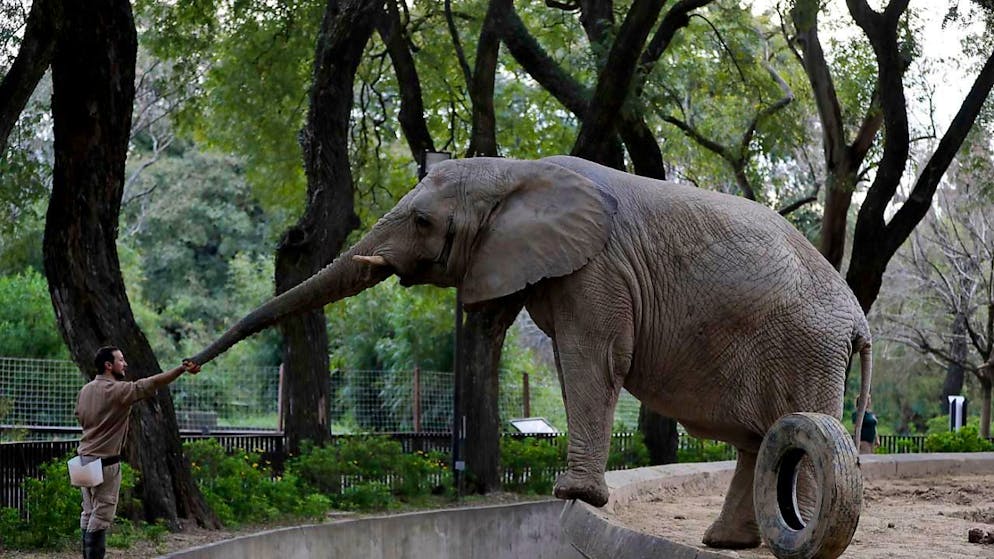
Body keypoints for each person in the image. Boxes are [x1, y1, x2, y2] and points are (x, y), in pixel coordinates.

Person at [75, 346, 200, 559]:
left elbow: (80, 415)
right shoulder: (117, 391)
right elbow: (151, 383)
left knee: (88, 512)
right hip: (105, 462)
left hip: (83, 458)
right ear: (108, 365)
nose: (125, 364)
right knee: (102, 514)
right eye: (121, 360)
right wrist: (181, 369)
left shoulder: (85, 390)